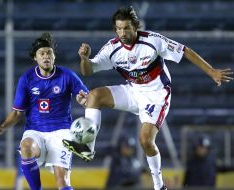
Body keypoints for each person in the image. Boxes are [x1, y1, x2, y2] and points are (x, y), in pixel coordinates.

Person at [62, 6, 233, 190]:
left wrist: (212, 72)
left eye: (126, 28)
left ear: (136, 26)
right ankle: (87, 147)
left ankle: (159, 186)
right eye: (118, 28)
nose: (122, 32)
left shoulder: (152, 41)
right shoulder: (112, 49)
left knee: (145, 141)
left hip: (157, 96)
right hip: (133, 91)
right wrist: (84, 59)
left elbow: (185, 51)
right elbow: (88, 71)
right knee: (94, 95)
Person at [0, 32, 88, 190]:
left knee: (62, 181)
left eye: (49, 53)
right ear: (35, 57)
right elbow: (17, 113)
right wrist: (3, 127)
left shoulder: (67, 76)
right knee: (26, 147)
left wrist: (83, 101)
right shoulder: (26, 79)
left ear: (54, 56)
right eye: (42, 53)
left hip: (61, 132)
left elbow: (85, 98)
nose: (46, 56)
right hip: (35, 131)